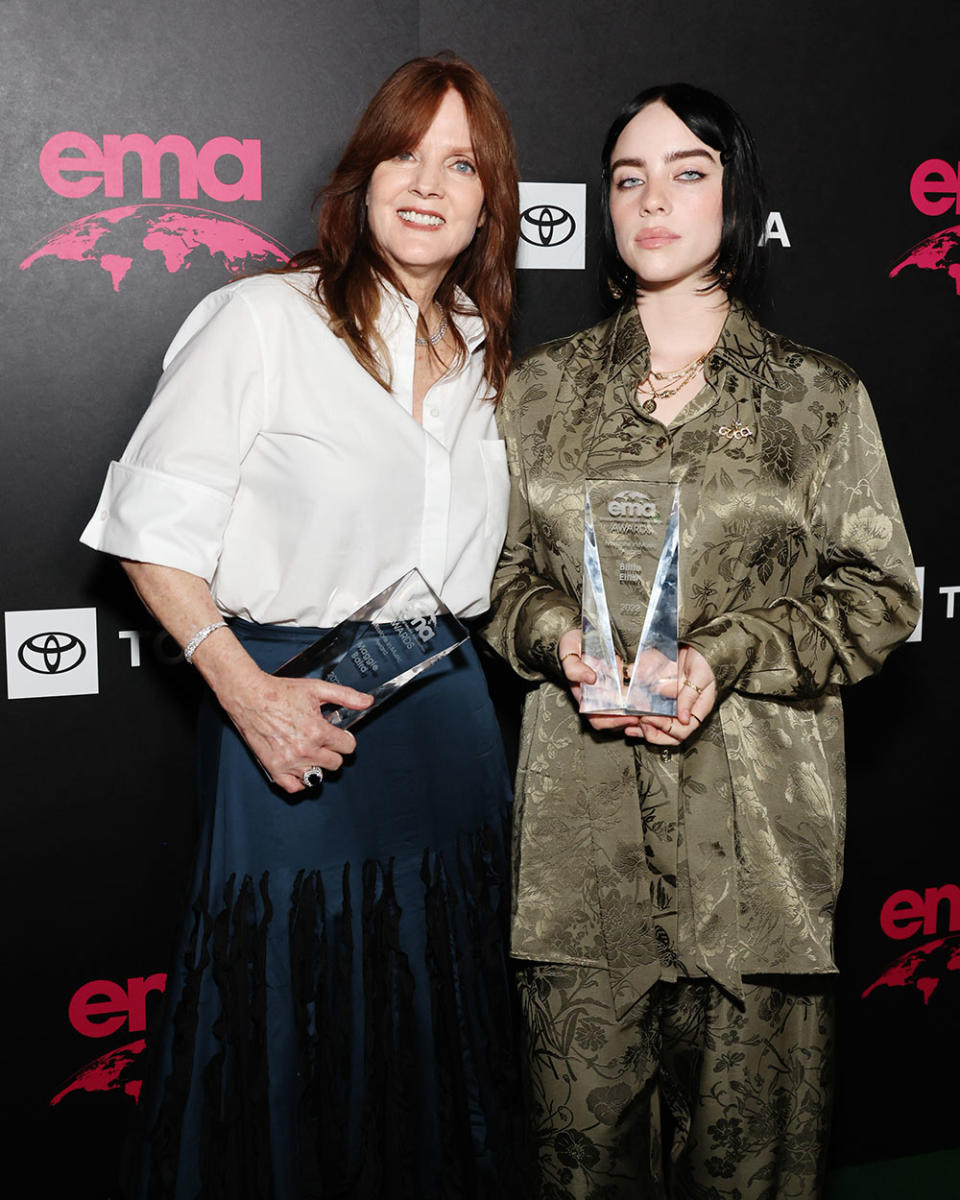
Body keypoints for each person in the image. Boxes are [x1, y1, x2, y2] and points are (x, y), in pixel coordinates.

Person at [81, 54, 524, 1200]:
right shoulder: (258, 320)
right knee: (282, 996)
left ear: (489, 200)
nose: (428, 183)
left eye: (460, 162)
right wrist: (246, 695)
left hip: (454, 723)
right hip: (291, 710)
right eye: (404, 154)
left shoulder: (489, 352)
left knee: (443, 993)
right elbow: (149, 530)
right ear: (362, 175)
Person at [482, 82, 919, 1199]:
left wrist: (727, 655)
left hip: (759, 857)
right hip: (582, 853)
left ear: (738, 199)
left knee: (756, 1172)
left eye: (688, 172)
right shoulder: (537, 395)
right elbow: (491, 576)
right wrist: (555, 639)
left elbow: (880, 595)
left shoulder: (818, 398)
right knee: (578, 1169)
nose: (654, 200)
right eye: (629, 178)